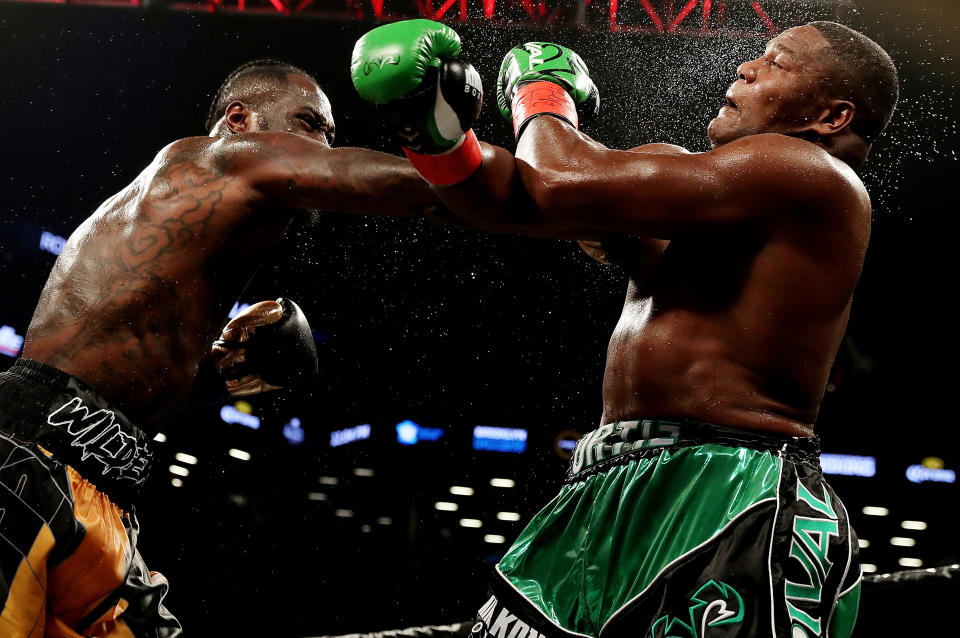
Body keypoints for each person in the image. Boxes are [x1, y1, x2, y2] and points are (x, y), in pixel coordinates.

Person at [351, 20, 898, 637]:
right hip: (612, 476)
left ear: (831, 116)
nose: (747, 67)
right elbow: (514, 199)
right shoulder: (695, 180)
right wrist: (430, 129)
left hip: (731, 486)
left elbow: (558, 180)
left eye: (777, 62)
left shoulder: (807, 173)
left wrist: (541, 93)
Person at [0, 59, 441, 636]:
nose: (322, 146)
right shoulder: (205, 157)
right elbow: (411, 188)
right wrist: (493, 171)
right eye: (308, 124)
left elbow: (119, 372)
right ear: (239, 119)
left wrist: (216, 372)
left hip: (107, 496)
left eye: (329, 136)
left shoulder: (196, 232)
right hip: (28, 461)